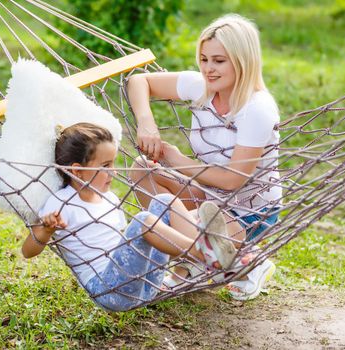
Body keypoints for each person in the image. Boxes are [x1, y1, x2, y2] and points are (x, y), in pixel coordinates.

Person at [126, 14, 281, 300]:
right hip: (208, 194)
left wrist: (176, 160)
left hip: (247, 212)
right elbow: (139, 81)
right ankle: (197, 256)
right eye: (204, 59)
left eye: (219, 61)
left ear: (242, 60)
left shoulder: (257, 109)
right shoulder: (202, 87)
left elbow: (233, 180)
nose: (209, 69)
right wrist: (146, 121)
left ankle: (246, 261)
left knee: (186, 219)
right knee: (142, 169)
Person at [21, 122, 242, 312]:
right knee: (142, 221)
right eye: (106, 166)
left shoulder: (109, 199)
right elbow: (27, 252)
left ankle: (204, 246)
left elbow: (128, 248)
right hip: (109, 290)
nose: (114, 172)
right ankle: (203, 254)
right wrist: (46, 229)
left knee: (164, 201)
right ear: (77, 171)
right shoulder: (61, 203)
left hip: (143, 283)